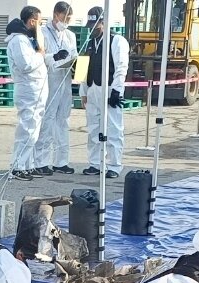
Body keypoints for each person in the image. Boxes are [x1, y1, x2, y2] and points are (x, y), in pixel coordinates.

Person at [80, 5, 126, 178]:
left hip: (108, 89)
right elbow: (83, 69)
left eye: (96, 25)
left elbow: (122, 67)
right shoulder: (90, 43)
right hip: (92, 89)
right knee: (93, 128)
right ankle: (95, 163)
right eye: (91, 26)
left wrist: (117, 90)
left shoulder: (116, 40)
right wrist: (83, 91)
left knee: (113, 128)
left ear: (103, 22)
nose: (92, 29)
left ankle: (114, 165)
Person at [5, 5, 46, 180]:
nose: (40, 25)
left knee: (34, 130)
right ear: (32, 21)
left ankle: (28, 164)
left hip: (36, 90)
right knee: (27, 130)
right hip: (28, 90)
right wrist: (41, 54)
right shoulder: (19, 40)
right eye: (39, 22)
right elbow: (26, 65)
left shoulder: (28, 39)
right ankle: (18, 166)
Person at [37, 1, 76, 175]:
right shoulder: (42, 33)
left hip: (65, 81)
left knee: (63, 120)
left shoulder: (70, 35)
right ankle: (41, 160)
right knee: (48, 119)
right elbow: (41, 57)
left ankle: (61, 161)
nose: (66, 21)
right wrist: (55, 56)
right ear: (55, 15)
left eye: (69, 18)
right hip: (50, 81)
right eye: (64, 17)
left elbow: (73, 54)